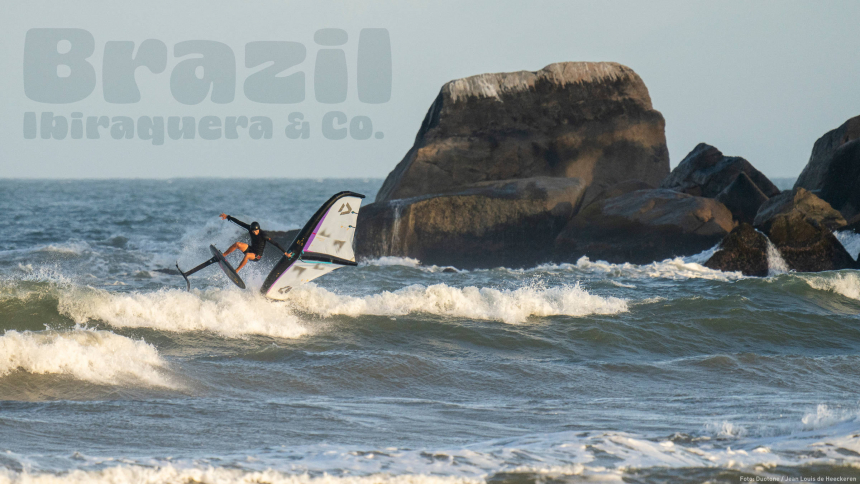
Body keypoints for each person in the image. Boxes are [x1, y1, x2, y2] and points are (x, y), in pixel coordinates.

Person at [219, 213, 293, 272]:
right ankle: (223, 255)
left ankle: (237, 270)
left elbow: (275, 243)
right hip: (251, 249)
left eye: (256, 231)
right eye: (253, 231)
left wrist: (285, 253)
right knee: (237, 244)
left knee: (247, 255)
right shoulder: (251, 229)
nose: (254, 232)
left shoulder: (264, 235)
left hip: (257, 255)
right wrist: (228, 217)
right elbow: (240, 222)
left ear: (259, 229)